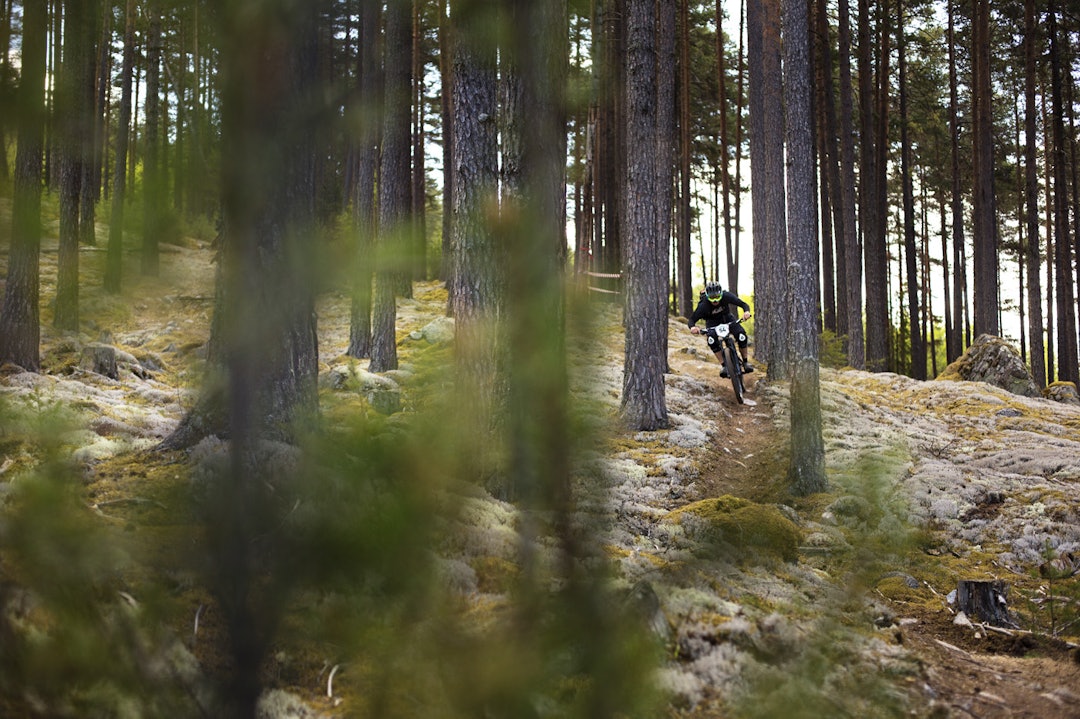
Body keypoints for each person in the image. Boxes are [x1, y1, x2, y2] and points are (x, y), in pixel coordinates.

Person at [688, 281, 754, 376]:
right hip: (712, 323)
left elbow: (743, 304)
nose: (715, 301)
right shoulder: (703, 305)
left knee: (741, 336)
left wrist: (746, 312)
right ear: (707, 296)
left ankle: (745, 361)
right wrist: (693, 327)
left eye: (717, 297)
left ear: (721, 294)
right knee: (711, 340)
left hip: (727, 319)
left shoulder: (726, 296)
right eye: (712, 298)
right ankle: (724, 366)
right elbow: (692, 320)